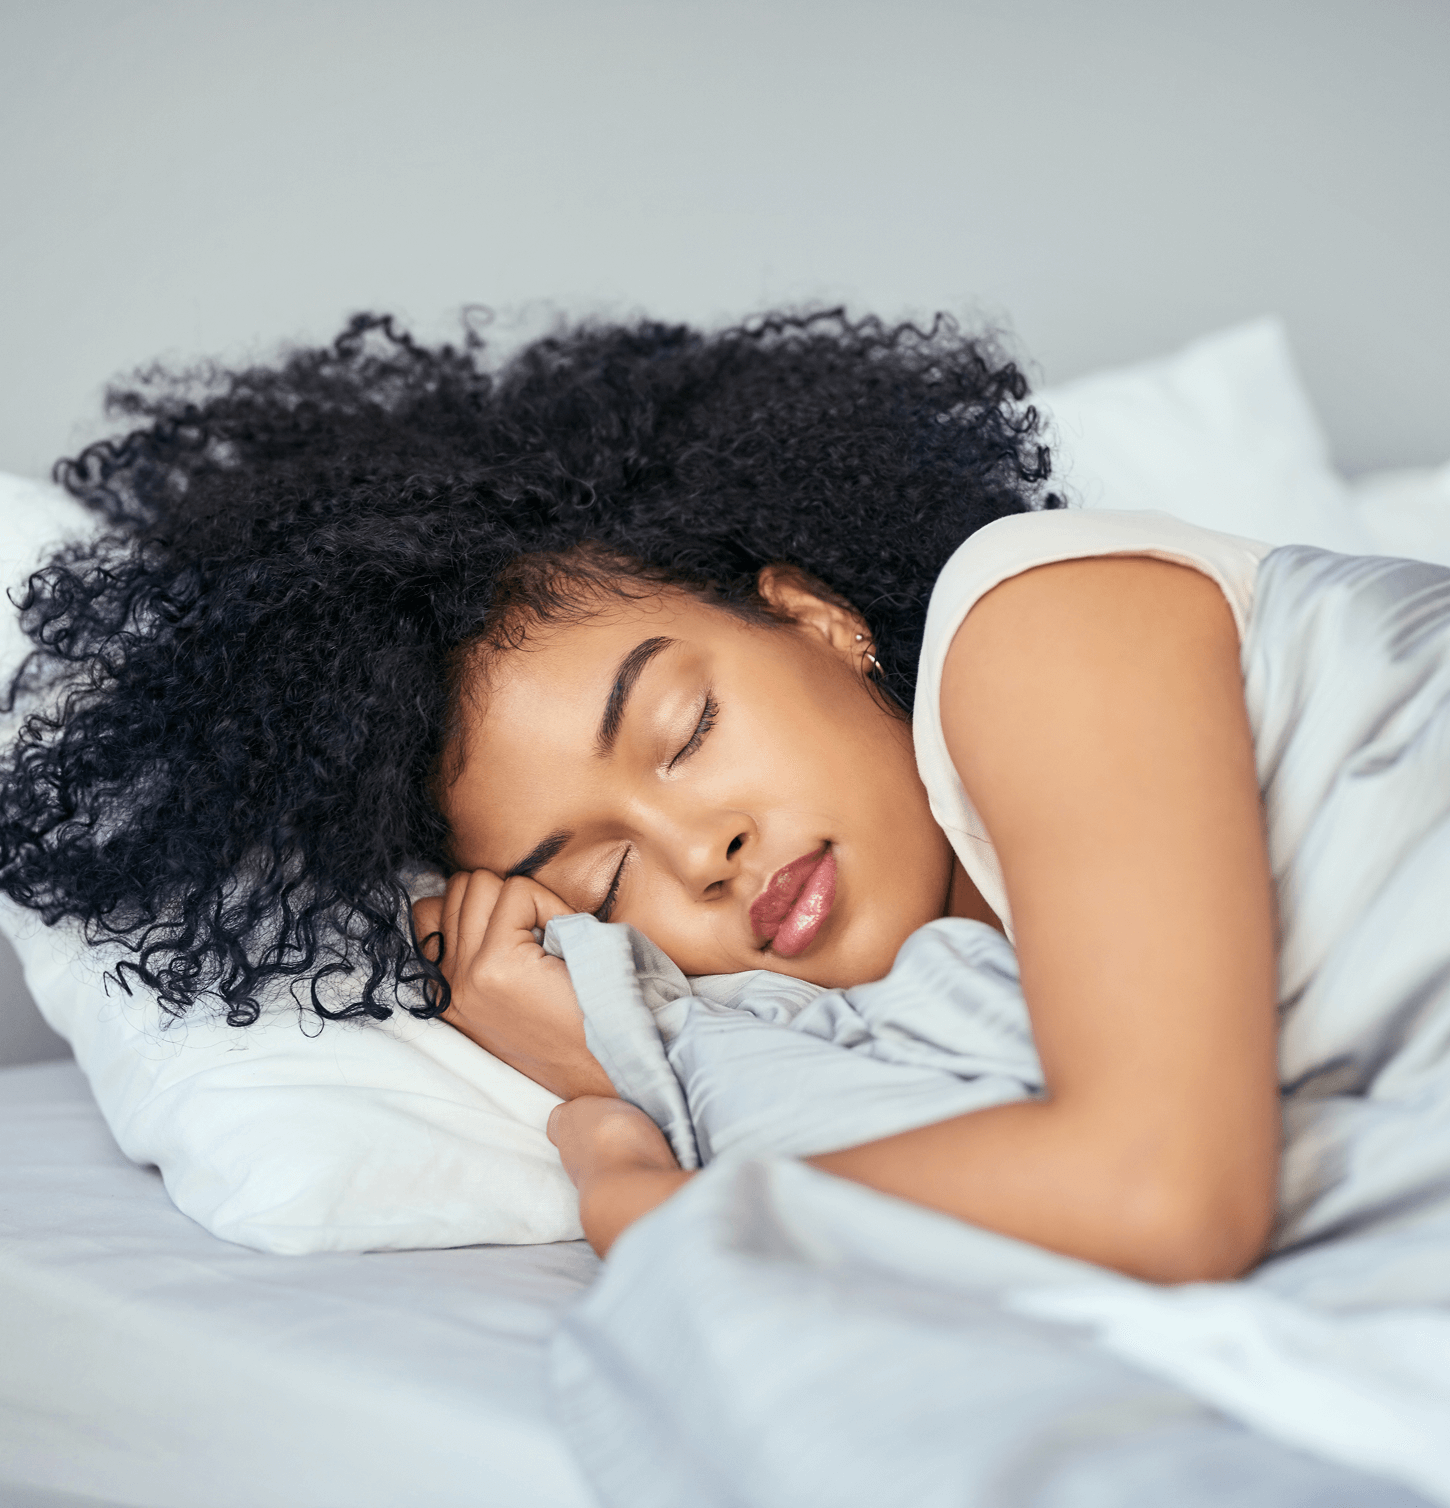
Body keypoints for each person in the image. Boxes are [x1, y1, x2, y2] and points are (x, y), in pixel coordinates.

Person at [0, 309, 1278, 1285]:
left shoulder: (1042, 621)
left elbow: (1160, 1200)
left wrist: (637, 1173)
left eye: (688, 729)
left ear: (819, 617)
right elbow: (1056, 1175)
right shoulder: (920, 1009)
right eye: (606, 881)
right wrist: (603, 1070)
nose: (700, 853)